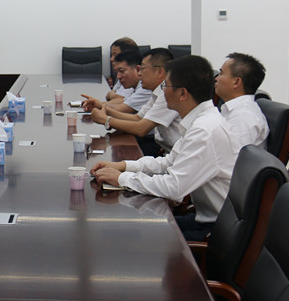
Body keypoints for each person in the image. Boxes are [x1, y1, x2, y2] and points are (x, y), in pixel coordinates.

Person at [92, 55, 240, 241]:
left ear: (182, 93)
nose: (162, 91)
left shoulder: (204, 130)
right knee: (128, 228)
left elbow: (174, 187)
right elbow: (168, 162)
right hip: (205, 219)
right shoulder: (201, 121)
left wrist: (122, 178)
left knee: (132, 237)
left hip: (217, 231)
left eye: (166, 86)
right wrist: (123, 166)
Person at [90, 48, 182, 155]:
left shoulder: (168, 93)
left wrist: (105, 120)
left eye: (143, 68)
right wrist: (103, 109)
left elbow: (141, 128)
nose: (139, 74)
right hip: (167, 150)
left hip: (177, 154)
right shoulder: (157, 91)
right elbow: (137, 118)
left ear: (160, 72)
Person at [214, 52, 269, 149]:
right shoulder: (234, 109)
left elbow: (233, 156)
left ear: (236, 82)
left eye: (221, 73)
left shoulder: (243, 117)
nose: (216, 78)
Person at [82, 49, 152, 114]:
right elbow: (123, 102)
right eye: (117, 72)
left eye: (122, 71)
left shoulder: (146, 88)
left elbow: (121, 108)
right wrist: (96, 104)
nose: (118, 76)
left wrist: (100, 107)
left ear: (138, 69)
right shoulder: (136, 86)